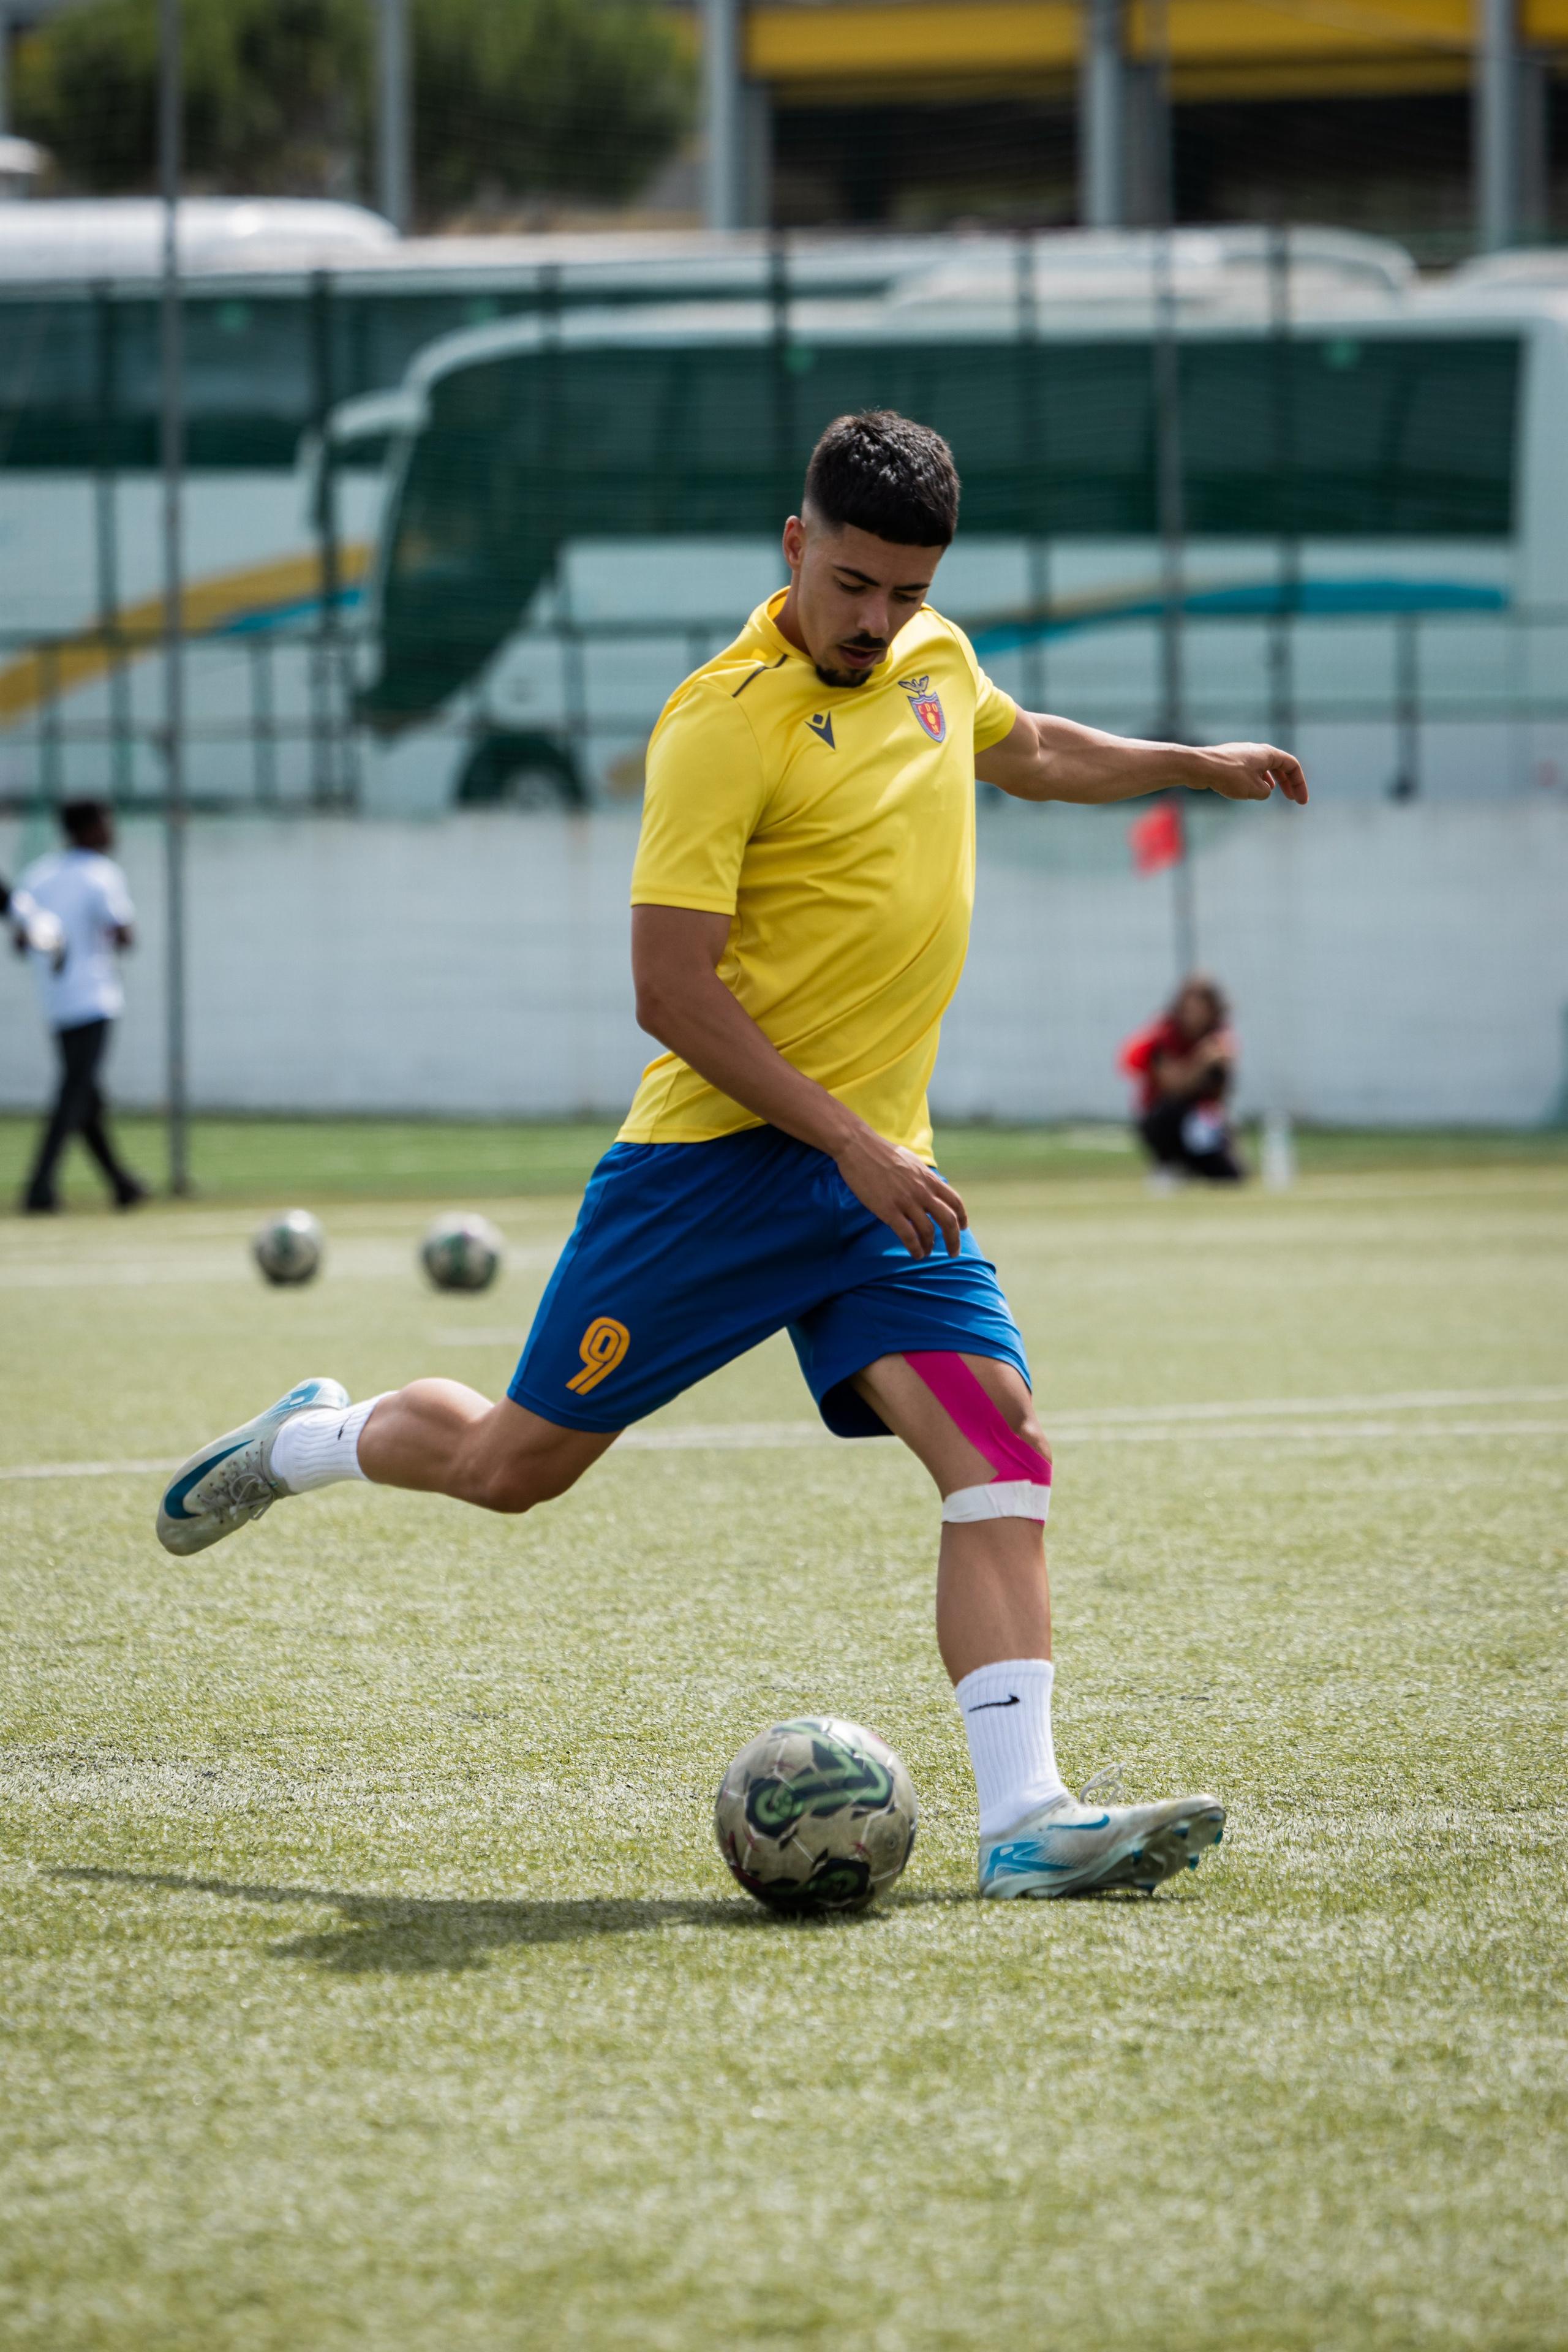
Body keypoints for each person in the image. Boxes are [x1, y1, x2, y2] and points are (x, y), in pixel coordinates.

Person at [156, 411, 1307, 1900]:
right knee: (516, 1466)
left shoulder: (934, 662)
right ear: (793, 545)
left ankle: (1025, 1815)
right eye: (849, 584)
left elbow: (1023, 750)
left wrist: (1189, 763)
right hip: (716, 1170)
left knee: (999, 1449)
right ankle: (306, 1436)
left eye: (902, 591)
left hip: (877, 1175)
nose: (874, 620)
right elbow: (669, 990)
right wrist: (846, 1140)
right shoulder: (718, 720)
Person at [17, 798, 148, 1215]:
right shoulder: (101, 874)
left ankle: (121, 1184)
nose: (111, 832)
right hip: (94, 998)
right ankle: (39, 1186)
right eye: (105, 824)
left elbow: (22, 941)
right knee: (75, 1093)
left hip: (56, 1000)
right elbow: (125, 935)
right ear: (86, 829)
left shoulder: (39, 876)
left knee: (86, 1095)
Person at [1120, 976, 1245, 1186]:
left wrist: (1222, 1067)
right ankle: (1168, 1164)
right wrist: (1201, 1061)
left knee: (1231, 1177)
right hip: (1165, 1117)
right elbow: (1172, 1086)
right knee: (1170, 1112)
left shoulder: (1218, 1038)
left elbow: (1219, 1096)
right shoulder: (1163, 1036)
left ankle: (1194, 1167)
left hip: (1200, 1121)